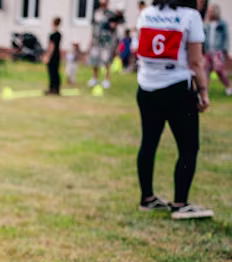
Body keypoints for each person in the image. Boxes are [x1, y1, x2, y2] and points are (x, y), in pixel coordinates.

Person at [136, 0, 213, 219]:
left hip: (147, 87)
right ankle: (180, 202)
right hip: (176, 89)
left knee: (148, 144)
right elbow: (196, 61)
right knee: (188, 147)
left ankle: (147, 197)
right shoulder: (190, 16)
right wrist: (203, 91)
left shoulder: (146, 13)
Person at [88, 0, 119, 89]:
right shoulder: (96, 13)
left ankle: (106, 80)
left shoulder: (111, 13)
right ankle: (94, 78)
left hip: (106, 40)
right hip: (96, 39)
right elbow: (94, 26)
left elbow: (115, 27)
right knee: (94, 59)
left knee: (106, 60)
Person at [204, 3, 231, 95]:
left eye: (211, 11)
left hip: (218, 51)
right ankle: (205, 91)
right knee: (205, 72)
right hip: (207, 51)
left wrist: (225, 50)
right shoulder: (206, 24)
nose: (209, 13)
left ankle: (228, 86)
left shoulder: (222, 24)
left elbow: (226, 37)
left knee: (219, 70)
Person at [43, 17, 62, 95]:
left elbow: (51, 46)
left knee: (52, 72)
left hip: (52, 55)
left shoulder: (53, 35)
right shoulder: (59, 34)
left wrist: (47, 56)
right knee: (56, 72)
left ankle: (52, 89)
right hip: (57, 55)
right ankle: (56, 88)